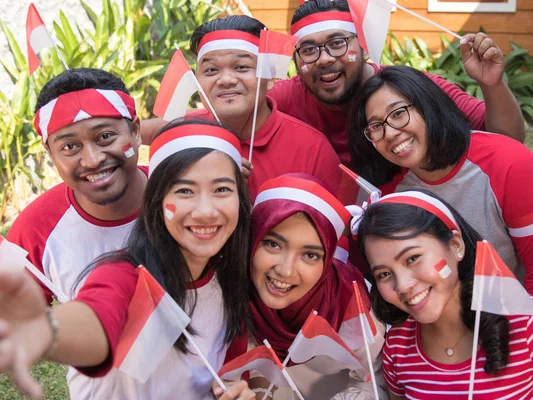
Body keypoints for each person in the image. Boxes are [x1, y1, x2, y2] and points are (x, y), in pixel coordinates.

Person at [0, 119, 256, 400]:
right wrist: (47, 330)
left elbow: (227, 372)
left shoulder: (232, 275)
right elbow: (95, 319)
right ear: (156, 202)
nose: (206, 211)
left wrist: (236, 390)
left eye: (221, 189)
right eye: (185, 191)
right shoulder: (124, 274)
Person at [348, 66, 533, 307]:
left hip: (516, 313)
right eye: (376, 127)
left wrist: (530, 335)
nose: (389, 133)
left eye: (398, 113)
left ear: (428, 105)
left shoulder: (508, 162)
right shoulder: (388, 192)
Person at [352, 189, 533, 399]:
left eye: (413, 258)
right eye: (384, 274)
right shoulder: (397, 346)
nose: (403, 285)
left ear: (456, 245)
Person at [267, 0, 526, 166]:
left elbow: (508, 139)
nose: (323, 59)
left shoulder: (406, 88)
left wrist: (492, 84)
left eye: (337, 43)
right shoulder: (284, 98)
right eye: (309, 50)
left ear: (364, 45)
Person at [142, 16, 342, 200]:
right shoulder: (181, 138)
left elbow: (338, 233)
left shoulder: (312, 149)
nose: (226, 80)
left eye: (242, 67)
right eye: (211, 70)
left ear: (269, 77)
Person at [7, 68, 147, 304]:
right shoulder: (31, 232)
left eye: (105, 137)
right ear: (50, 154)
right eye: (70, 147)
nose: (93, 160)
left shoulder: (187, 191)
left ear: (135, 131)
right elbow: (13, 321)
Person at [247, 174, 388, 399]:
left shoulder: (353, 307)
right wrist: (258, 390)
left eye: (310, 255)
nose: (285, 270)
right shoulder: (232, 293)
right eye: (273, 244)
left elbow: (377, 381)